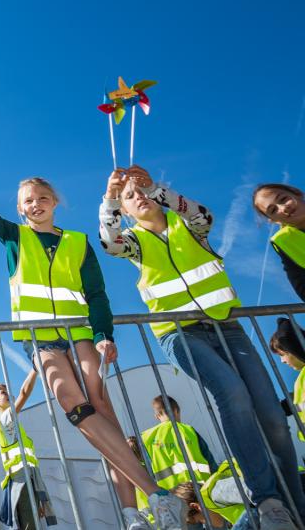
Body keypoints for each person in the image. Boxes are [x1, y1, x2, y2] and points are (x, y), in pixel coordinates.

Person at [0, 152, 185, 530]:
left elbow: (96, 294)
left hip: (80, 335)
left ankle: (133, 513)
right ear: (19, 208)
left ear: (55, 202)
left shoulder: (78, 242)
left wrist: (103, 335)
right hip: (39, 339)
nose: (36, 204)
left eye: (42, 198)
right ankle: (157, 496)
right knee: (74, 405)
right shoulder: (14, 235)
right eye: (28, 200)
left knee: (102, 410)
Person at [99, 165, 303, 529]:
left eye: (142, 191)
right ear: (126, 211)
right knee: (232, 394)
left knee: (272, 416)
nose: (139, 197)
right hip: (179, 333)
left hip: (229, 328)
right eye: (131, 197)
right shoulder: (133, 243)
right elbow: (109, 241)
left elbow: (198, 211)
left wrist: (155, 187)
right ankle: (267, 500)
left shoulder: (191, 227)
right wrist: (111, 198)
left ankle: (293, 506)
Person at [0, 368, 57, 529]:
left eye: (6, 391)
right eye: (1, 392)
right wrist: (35, 370)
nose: (6, 393)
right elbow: (24, 394)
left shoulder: (12, 423)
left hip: (28, 477)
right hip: (20, 479)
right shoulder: (4, 418)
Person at [252, 183, 305, 301]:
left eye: (283, 199)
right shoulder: (285, 242)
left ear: (297, 193)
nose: (283, 208)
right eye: (273, 210)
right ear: (274, 220)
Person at [172, 460, 257, 530]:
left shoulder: (216, 493)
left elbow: (255, 489)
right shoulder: (217, 504)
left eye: (200, 521)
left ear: (196, 507)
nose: (205, 525)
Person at [269, 317, 305, 443]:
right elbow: (298, 401)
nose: (282, 361)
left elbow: (286, 337)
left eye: (282, 354)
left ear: (292, 348)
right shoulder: (301, 379)